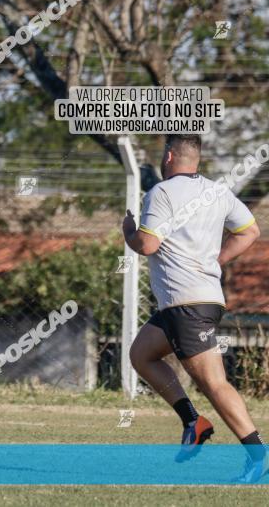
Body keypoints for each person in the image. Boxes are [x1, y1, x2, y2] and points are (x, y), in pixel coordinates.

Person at [124, 135, 265, 483]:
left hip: (186, 303)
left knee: (214, 383)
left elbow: (148, 244)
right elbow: (250, 231)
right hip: (199, 300)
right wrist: (217, 259)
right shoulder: (216, 191)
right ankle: (193, 421)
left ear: (170, 156)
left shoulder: (162, 192)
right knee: (141, 354)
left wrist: (129, 231)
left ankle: (258, 455)